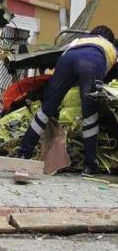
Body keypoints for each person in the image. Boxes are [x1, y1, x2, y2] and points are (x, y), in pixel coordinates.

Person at [18, 25, 117, 176]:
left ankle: (24, 153)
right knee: (89, 115)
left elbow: (63, 57)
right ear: (110, 38)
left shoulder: (79, 40)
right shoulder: (111, 47)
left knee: (46, 109)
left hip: (67, 60)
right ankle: (90, 166)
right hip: (92, 63)